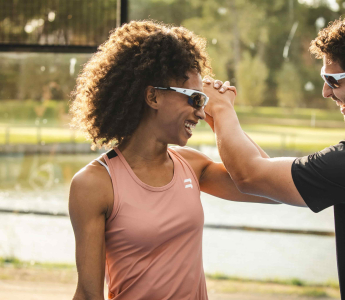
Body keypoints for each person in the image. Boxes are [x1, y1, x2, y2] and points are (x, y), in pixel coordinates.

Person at [68, 20, 276, 300]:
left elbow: (268, 186)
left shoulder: (192, 165)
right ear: (153, 96)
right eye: (194, 100)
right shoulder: (95, 184)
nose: (201, 114)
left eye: (203, 101)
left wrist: (223, 113)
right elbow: (88, 294)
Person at [203, 12, 345, 300]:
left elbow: (250, 175)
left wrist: (221, 109)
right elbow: (265, 173)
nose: (325, 92)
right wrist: (222, 124)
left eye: (332, 79)